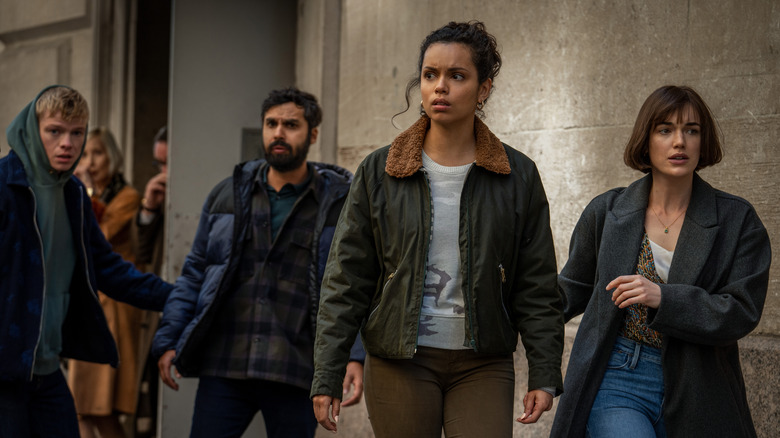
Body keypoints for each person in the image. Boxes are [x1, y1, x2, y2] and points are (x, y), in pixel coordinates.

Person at [311, 21, 564, 437]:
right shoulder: (380, 171)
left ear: (483, 89)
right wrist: (327, 374)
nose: (440, 87)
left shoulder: (517, 175)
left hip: (483, 362)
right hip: (399, 360)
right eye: (431, 75)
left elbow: (535, 283)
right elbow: (346, 279)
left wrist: (544, 371)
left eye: (457, 76)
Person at [549, 85, 772, 438]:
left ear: (703, 141)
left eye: (691, 130)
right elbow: (565, 294)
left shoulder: (738, 220)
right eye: (665, 129)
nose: (679, 142)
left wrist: (663, 298)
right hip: (617, 375)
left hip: (700, 384)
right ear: (646, 139)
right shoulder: (606, 212)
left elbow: (741, 311)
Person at [152, 87, 365, 438]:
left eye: (291, 125)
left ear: (312, 134)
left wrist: (353, 355)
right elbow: (194, 273)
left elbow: (354, 285)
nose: (278, 133)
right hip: (226, 364)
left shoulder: (341, 204)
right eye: (271, 123)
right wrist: (169, 337)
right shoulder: (228, 195)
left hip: (296, 368)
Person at [0, 85, 172, 437]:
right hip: (3, 369)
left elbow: (109, 269)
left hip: (46, 369)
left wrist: (181, 297)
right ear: (34, 130)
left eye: (76, 132)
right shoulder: (4, 186)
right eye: (55, 131)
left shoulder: (74, 194)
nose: (68, 143)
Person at [68, 127, 145, 438]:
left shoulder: (127, 196)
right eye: (85, 153)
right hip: (89, 303)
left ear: (111, 156)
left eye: (97, 153)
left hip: (113, 307)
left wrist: (84, 191)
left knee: (102, 407)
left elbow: (98, 234)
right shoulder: (88, 193)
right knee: (80, 405)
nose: (90, 161)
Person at [134, 125, 168, 275]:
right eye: (160, 163)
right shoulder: (161, 192)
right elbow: (142, 253)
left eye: (169, 162)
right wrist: (149, 208)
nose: (164, 171)